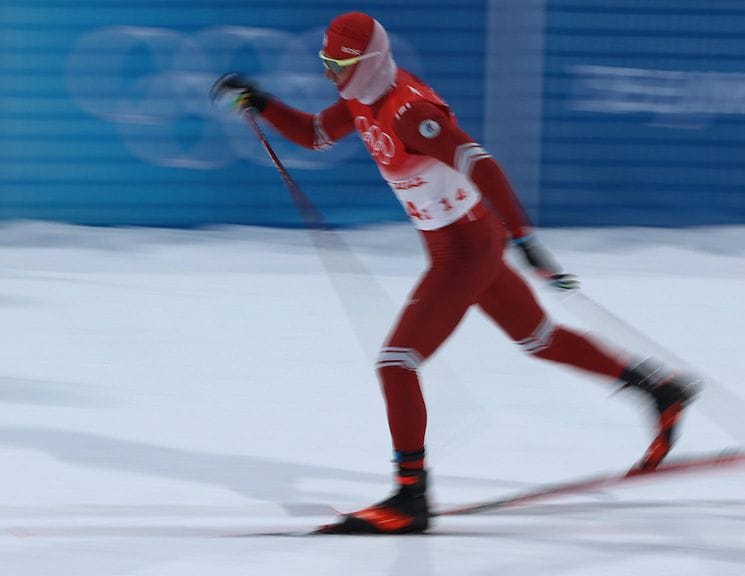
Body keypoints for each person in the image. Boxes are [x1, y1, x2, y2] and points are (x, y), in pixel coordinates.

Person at [211, 11, 699, 535]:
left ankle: (410, 497)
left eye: (340, 64)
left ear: (369, 62)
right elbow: (313, 134)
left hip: (465, 251)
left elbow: (480, 163)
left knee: (397, 363)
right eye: (325, 62)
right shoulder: (360, 97)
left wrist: (525, 241)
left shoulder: (409, 112)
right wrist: (262, 103)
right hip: (464, 243)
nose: (330, 74)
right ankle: (659, 390)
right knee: (538, 338)